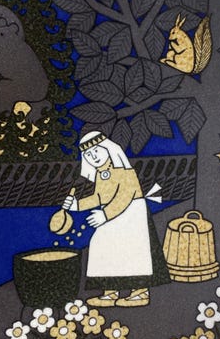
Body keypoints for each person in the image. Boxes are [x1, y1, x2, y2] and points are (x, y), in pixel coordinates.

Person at [63, 131, 168, 307]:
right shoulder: (101, 174)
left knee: (133, 250)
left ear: (108, 149)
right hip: (112, 215)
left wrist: (105, 215)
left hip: (131, 215)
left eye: (96, 151)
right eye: (88, 155)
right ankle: (110, 292)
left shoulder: (123, 170)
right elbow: (99, 197)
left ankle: (140, 292)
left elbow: (125, 195)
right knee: (103, 246)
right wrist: (77, 205)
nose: (93, 157)